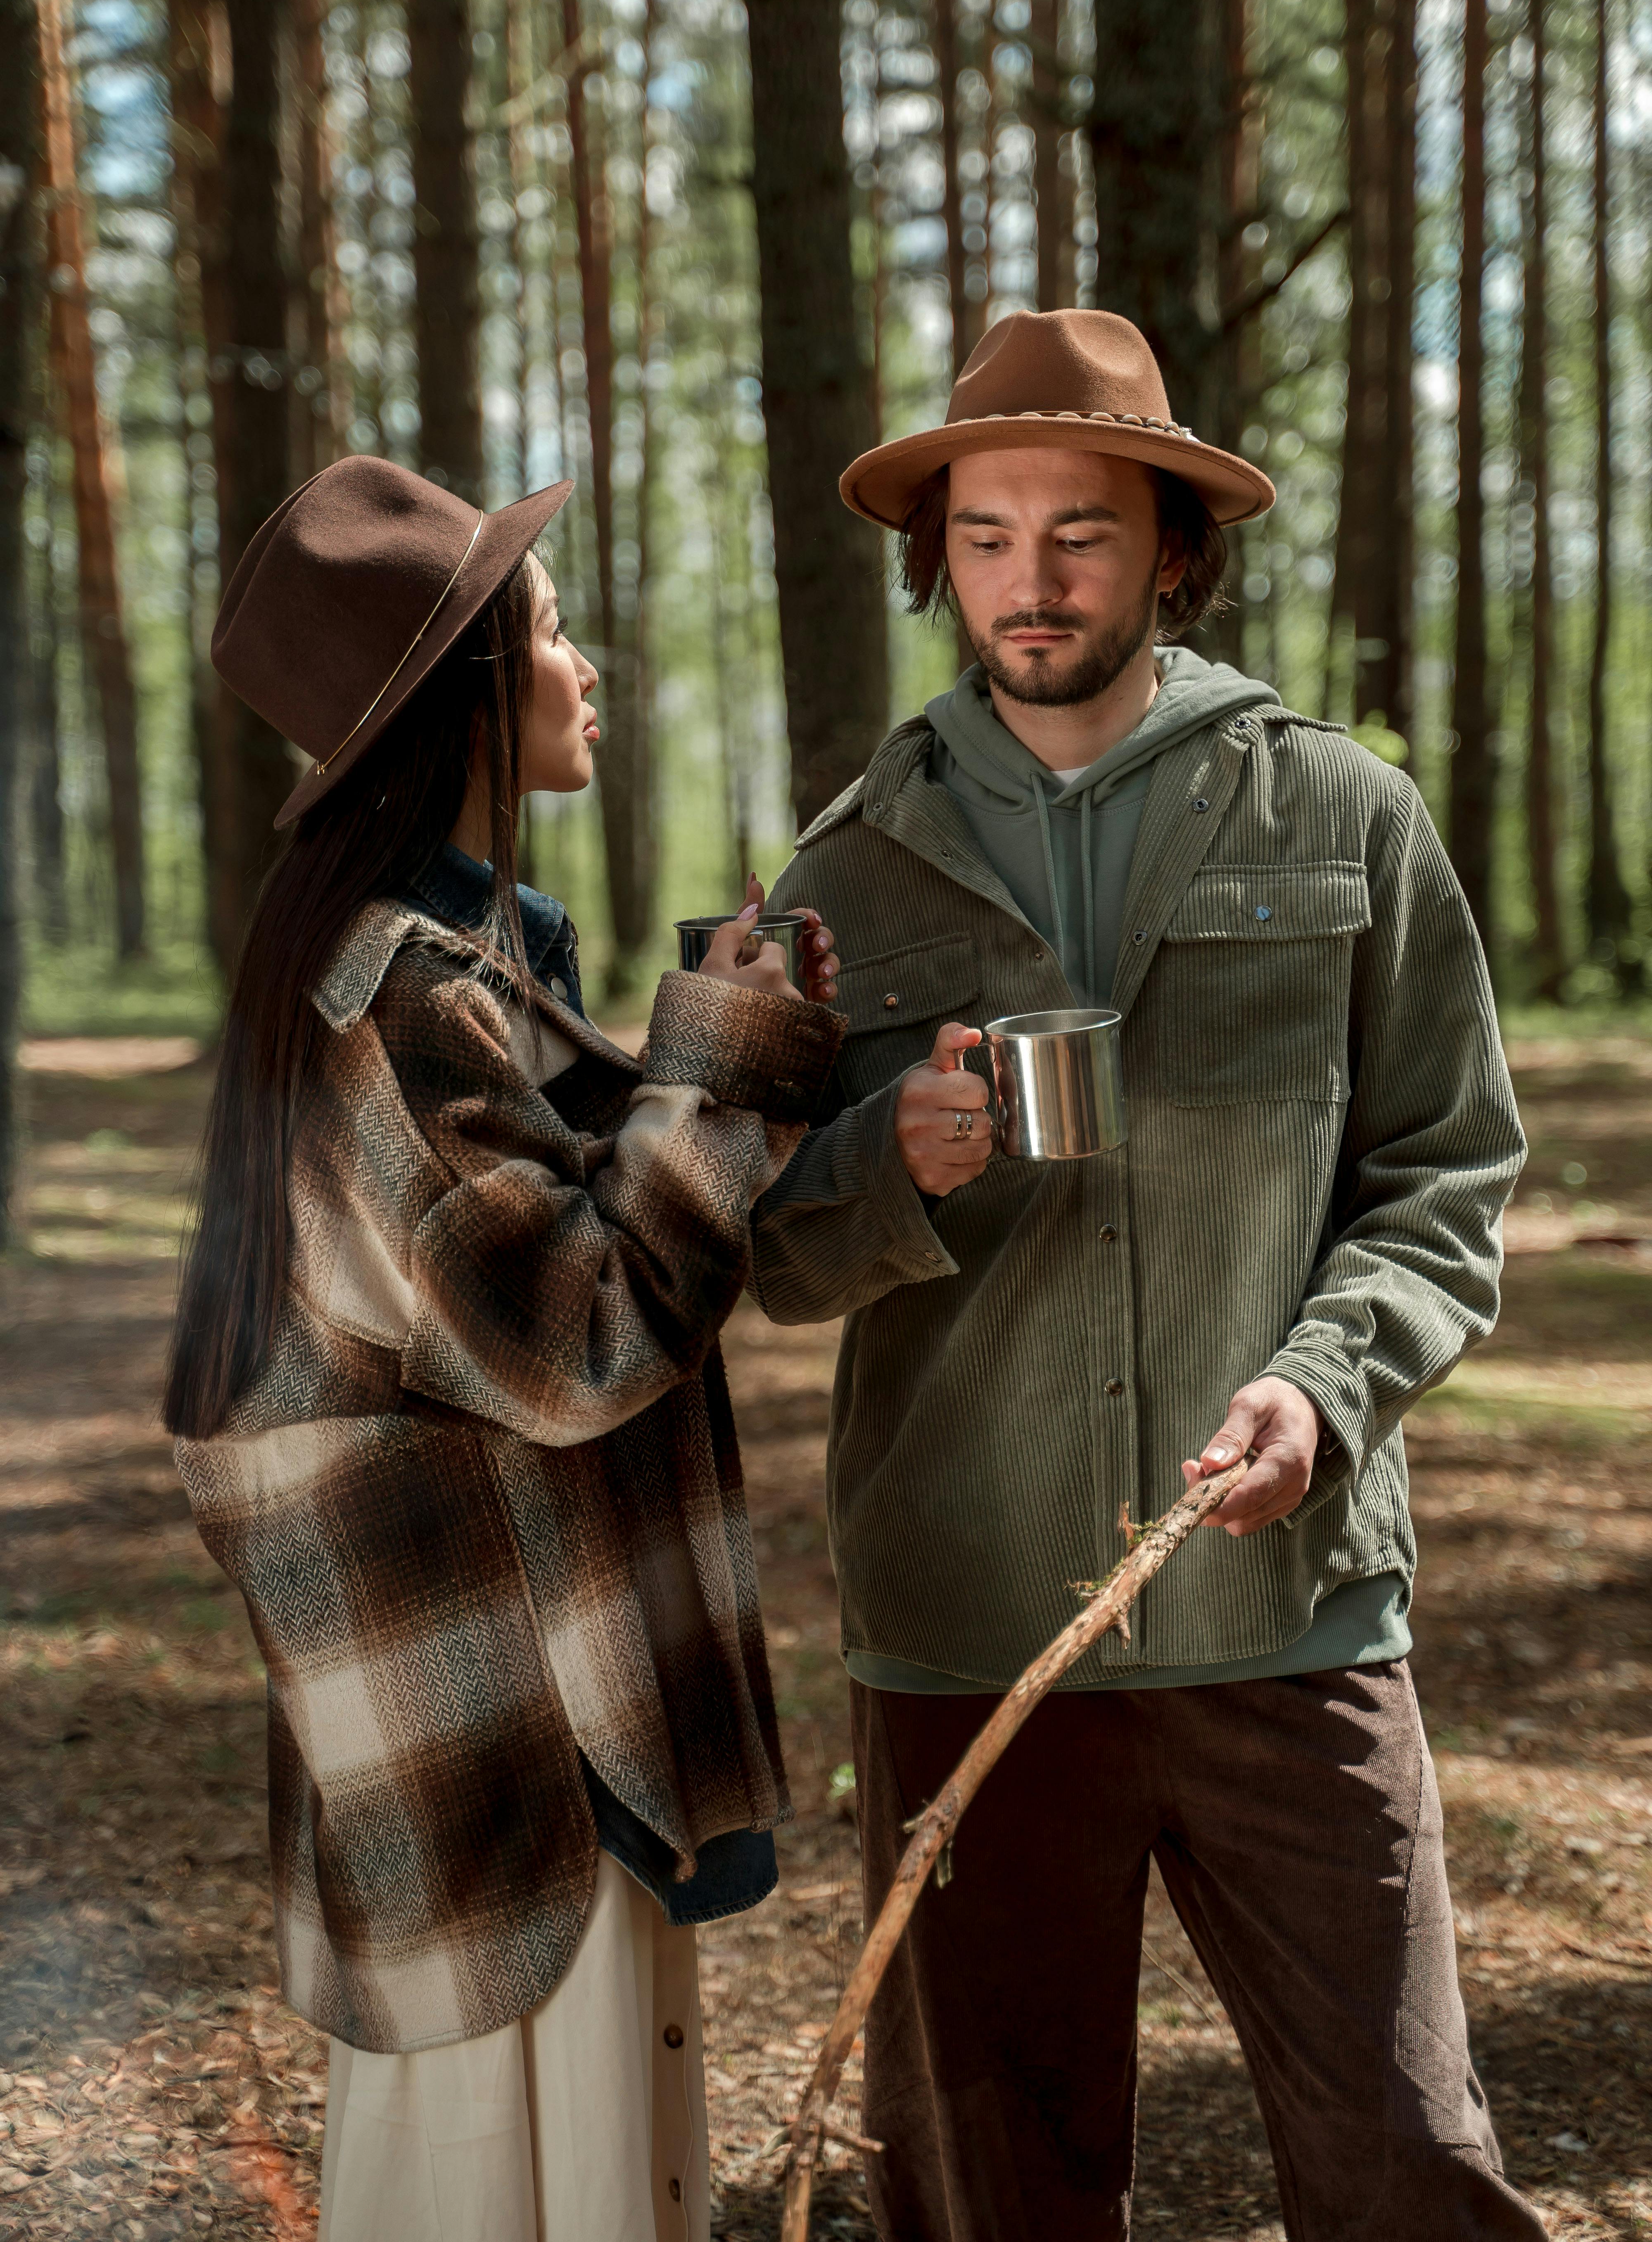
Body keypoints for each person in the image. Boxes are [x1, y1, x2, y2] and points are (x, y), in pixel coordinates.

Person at [753, 310, 1541, 2240]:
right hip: (968, 1627)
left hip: (1284, 1612)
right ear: (937, 557)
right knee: (990, 2191)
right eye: (991, 533)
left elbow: (1447, 1173)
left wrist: (1327, 1383)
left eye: (1083, 531)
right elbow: (753, 1242)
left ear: (1171, 550)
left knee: (1408, 2166)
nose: (1034, 578)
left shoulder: (1342, 814)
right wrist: (883, 1163)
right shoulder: (838, 881)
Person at [162, 455, 843, 2242]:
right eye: (546, 629)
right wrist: (724, 1054)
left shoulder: (432, 958)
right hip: (518, 1748)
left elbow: (558, 1250)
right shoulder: (397, 998)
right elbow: (578, 1341)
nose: (586, 659)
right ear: (468, 687)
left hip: (502, 1732)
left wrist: (728, 1055)